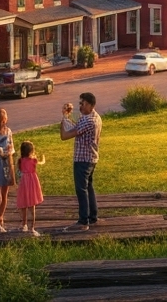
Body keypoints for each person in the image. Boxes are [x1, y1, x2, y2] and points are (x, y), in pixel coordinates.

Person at [60, 92, 102, 232]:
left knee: (81, 190)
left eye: (82, 104)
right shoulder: (95, 117)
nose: (80, 106)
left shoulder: (88, 121)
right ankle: (93, 217)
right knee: (88, 187)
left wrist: (65, 116)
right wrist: (68, 116)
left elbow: (65, 135)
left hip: (82, 159)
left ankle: (83, 221)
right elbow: (76, 125)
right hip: (91, 158)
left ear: (90, 105)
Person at [14, 140, 46, 236]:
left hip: (24, 184)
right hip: (32, 184)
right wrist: (43, 157)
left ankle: (24, 225)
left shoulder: (20, 161)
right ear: (31, 151)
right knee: (32, 206)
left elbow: (19, 172)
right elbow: (41, 162)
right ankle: (32, 227)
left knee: (23, 205)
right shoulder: (33, 160)